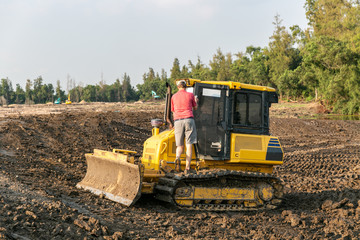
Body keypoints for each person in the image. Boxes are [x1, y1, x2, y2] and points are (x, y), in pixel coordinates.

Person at [171, 80, 198, 174]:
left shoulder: (173, 96)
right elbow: (195, 108)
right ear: (185, 87)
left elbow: (173, 111)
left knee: (179, 145)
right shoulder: (190, 95)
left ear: (178, 87)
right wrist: (196, 101)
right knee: (189, 144)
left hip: (177, 121)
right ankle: (187, 167)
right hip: (188, 119)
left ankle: (177, 158)